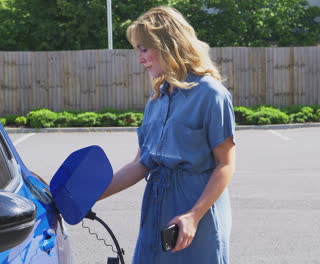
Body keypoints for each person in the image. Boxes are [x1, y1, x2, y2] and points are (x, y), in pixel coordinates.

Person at [100, 6, 236, 264]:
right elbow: (141, 164)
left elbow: (226, 164)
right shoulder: (157, 98)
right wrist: (90, 195)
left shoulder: (211, 94)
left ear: (167, 45)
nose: (140, 58)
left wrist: (193, 216)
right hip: (158, 209)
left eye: (143, 49)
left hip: (196, 214)